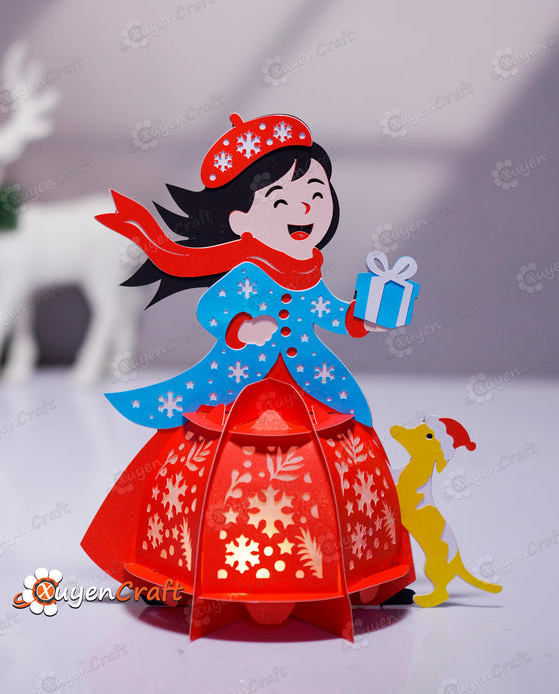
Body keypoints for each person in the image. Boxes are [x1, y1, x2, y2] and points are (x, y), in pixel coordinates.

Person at [82, 114, 414, 639]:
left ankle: (354, 567)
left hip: (312, 382)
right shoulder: (246, 273)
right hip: (240, 385)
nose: (305, 209)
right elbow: (212, 310)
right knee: (210, 465)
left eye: (316, 193)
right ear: (240, 221)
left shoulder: (308, 268)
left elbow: (329, 312)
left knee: (347, 452)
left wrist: (363, 317)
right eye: (281, 202)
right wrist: (242, 329)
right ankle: (196, 568)